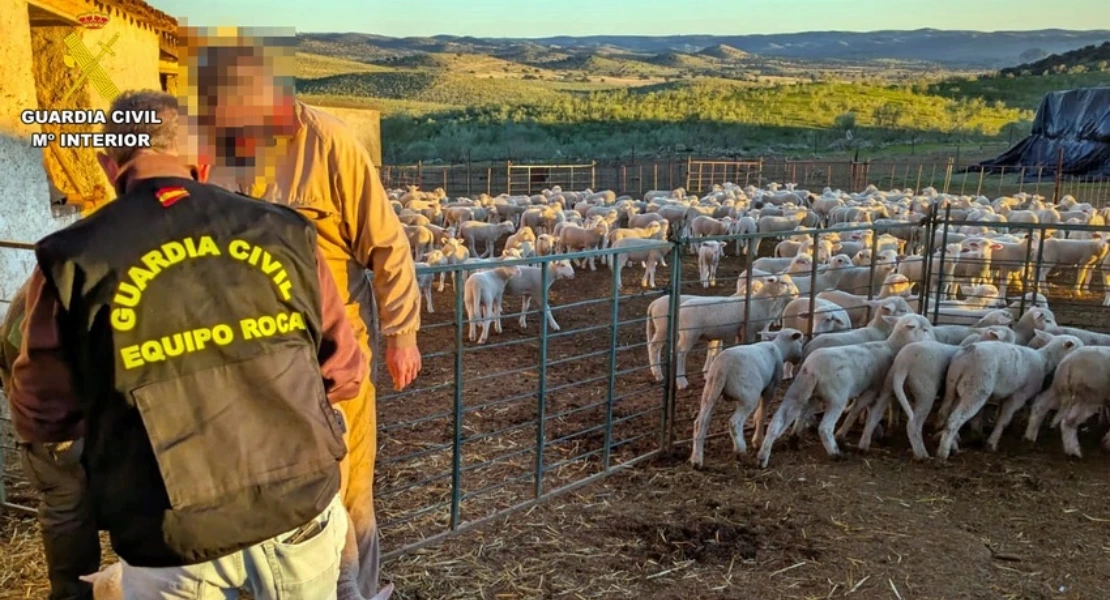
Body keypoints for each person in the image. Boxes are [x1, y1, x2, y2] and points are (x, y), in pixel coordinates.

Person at [8, 89, 367, 599]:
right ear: (202, 161)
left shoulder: (71, 258)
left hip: (169, 530)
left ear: (109, 166)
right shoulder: (284, 231)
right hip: (295, 509)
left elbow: (41, 411)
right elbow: (345, 373)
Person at [181, 30, 423, 598]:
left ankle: (358, 589)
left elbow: (387, 244)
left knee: (346, 483)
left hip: (333, 350)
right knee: (264, 481)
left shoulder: (330, 143)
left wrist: (402, 333)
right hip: (249, 350)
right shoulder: (215, 147)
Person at [1, 283, 101, 600]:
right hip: (57, 414)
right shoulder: (63, 281)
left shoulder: (48, 276)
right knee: (69, 501)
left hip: (51, 407)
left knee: (70, 504)